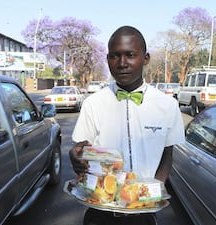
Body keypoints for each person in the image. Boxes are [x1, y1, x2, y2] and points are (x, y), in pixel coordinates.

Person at [69, 25, 185, 225]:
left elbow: (168, 153)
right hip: (100, 212)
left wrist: (155, 188)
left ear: (145, 58)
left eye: (130, 55)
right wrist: (75, 156)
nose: (122, 63)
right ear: (107, 60)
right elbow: (82, 149)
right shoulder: (93, 104)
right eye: (115, 56)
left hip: (143, 213)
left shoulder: (167, 105)